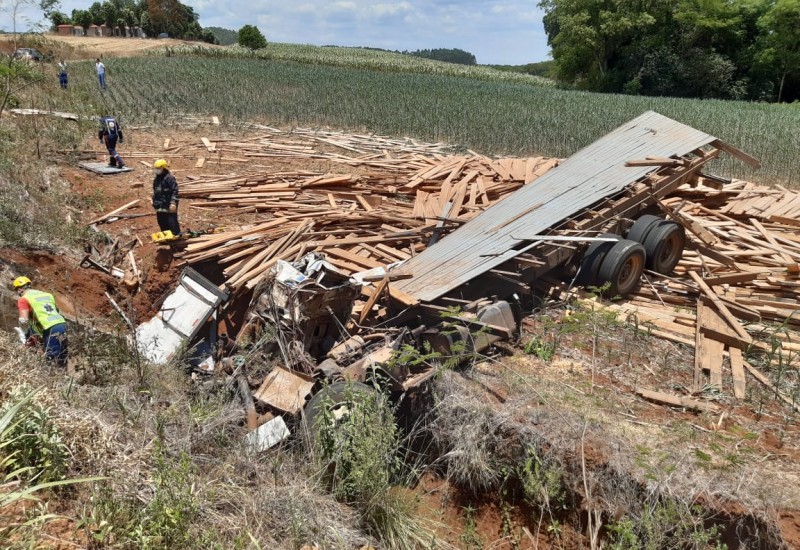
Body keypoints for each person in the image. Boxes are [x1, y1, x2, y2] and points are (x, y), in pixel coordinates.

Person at [13, 276, 68, 369]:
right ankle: (63, 379)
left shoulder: (24, 299)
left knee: (52, 360)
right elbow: (55, 311)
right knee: (61, 357)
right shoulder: (47, 295)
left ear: (19, 289)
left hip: (50, 329)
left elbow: (23, 321)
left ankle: (53, 380)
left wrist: (24, 335)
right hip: (62, 325)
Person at [152, 159, 181, 236]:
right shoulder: (156, 179)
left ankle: (176, 237)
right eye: (155, 168)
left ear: (163, 168)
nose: (156, 170)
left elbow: (175, 190)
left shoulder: (169, 178)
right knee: (161, 222)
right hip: (160, 205)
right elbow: (155, 191)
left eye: (158, 168)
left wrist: (173, 202)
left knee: (172, 222)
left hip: (169, 204)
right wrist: (154, 202)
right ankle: (166, 237)